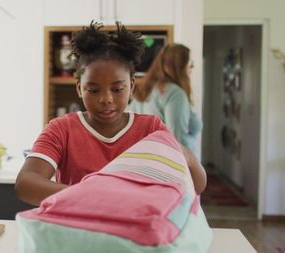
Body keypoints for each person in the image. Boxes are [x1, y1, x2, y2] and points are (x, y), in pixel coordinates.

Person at [15, 22, 206, 206]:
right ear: (80, 88)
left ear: (131, 87)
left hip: (133, 234)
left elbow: (198, 183)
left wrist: (179, 151)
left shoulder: (151, 129)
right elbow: (26, 182)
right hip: (75, 231)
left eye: (117, 89)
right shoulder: (61, 129)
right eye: (93, 90)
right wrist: (91, 196)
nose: (106, 99)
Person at [129, 43, 203, 155]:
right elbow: (177, 141)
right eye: (190, 62)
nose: (192, 66)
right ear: (179, 66)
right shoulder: (175, 94)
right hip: (170, 165)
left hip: (145, 159)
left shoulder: (145, 90)